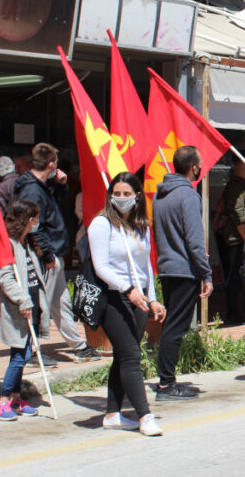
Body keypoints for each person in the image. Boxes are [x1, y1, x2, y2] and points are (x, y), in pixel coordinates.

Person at [89, 172, 166, 436]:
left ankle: (112, 413)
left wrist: (152, 297)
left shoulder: (141, 225)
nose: (121, 198)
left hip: (139, 299)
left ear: (137, 196)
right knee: (132, 356)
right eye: (116, 193)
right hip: (114, 298)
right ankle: (145, 416)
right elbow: (101, 267)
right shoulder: (101, 224)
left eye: (126, 193)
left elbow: (146, 266)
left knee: (123, 356)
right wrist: (128, 289)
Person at [13, 143, 98, 363]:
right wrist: (47, 255)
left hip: (52, 252)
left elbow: (54, 209)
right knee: (40, 301)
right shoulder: (32, 189)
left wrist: (61, 186)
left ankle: (78, 345)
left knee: (60, 302)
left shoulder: (40, 186)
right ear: (51, 164)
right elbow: (33, 225)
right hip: (44, 254)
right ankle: (30, 349)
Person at [152, 146, 214, 401]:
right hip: (184, 270)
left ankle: (168, 380)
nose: (200, 168)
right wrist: (206, 274)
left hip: (167, 267)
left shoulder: (161, 195)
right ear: (193, 168)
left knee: (172, 325)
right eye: (199, 164)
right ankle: (166, 385)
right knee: (175, 329)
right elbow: (194, 240)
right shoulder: (188, 196)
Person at [0, 200, 46, 423]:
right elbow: (6, 278)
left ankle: (16, 397)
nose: (38, 222)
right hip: (18, 309)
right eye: (36, 218)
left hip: (31, 306)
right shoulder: (10, 245)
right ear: (29, 219)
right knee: (18, 356)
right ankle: (2, 401)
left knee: (24, 354)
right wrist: (22, 300)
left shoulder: (27, 243)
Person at [214, 161, 245, 324]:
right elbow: (237, 212)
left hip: (240, 238)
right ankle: (234, 314)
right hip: (235, 239)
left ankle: (242, 311)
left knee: (241, 277)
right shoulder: (235, 186)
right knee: (235, 278)